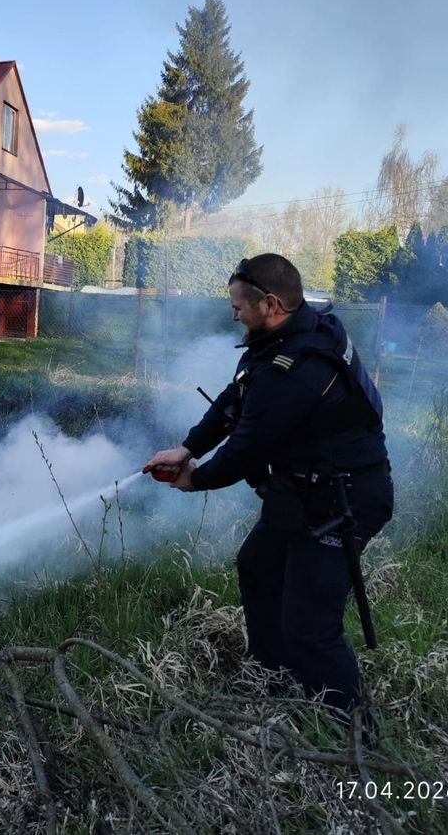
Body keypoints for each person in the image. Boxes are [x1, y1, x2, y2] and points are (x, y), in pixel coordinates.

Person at [143, 253, 393, 721]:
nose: (233, 312)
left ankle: (350, 730)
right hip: (301, 489)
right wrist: (188, 448)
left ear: (271, 303)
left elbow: (246, 449)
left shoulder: (298, 369)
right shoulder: (286, 336)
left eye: (238, 305)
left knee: (310, 626)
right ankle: (273, 676)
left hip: (344, 501)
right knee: (258, 565)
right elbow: (237, 394)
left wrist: (195, 479)